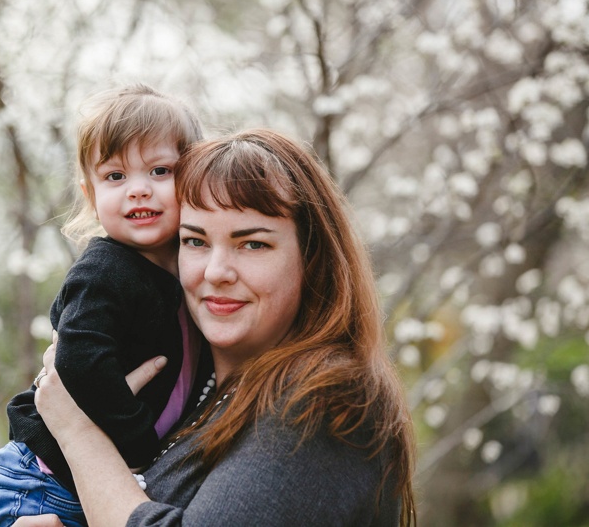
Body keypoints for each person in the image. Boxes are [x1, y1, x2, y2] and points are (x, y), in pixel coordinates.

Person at [26, 128, 417, 526]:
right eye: (195, 241)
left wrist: (79, 434)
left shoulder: (325, 398)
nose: (216, 272)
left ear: (312, 260)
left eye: (253, 244)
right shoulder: (189, 389)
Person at [0, 84, 204, 527]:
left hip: (90, 484)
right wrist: (138, 444)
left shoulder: (184, 270)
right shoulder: (106, 271)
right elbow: (80, 358)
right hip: (42, 487)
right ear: (90, 193)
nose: (138, 190)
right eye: (115, 176)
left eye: (160, 171)